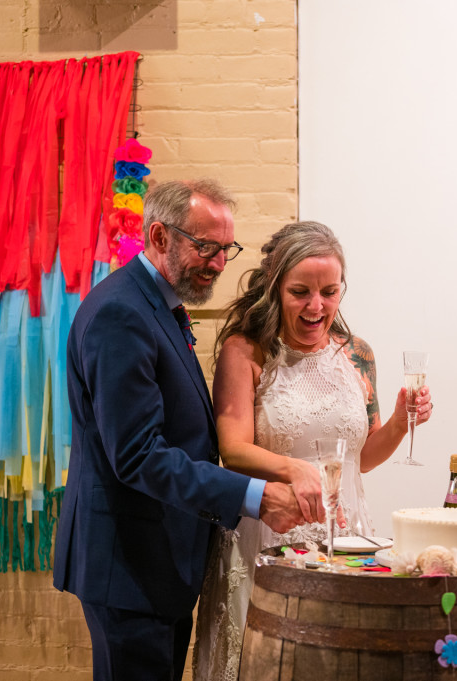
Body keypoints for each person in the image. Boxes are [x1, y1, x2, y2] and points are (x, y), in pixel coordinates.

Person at [53, 180, 310, 681]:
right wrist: (252, 495)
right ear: (159, 236)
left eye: (225, 249)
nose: (218, 263)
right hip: (128, 565)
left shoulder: (155, 303)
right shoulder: (120, 313)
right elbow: (138, 455)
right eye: (206, 247)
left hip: (157, 563)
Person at [192, 221, 433, 679]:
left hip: (347, 533)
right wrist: (295, 469)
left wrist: (402, 421)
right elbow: (233, 449)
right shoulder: (247, 351)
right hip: (268, 532)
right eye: (300, 291)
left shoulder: (358, 353)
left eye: (330, 292)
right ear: (275, 287)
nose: (316, 306)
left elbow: (359, 458)